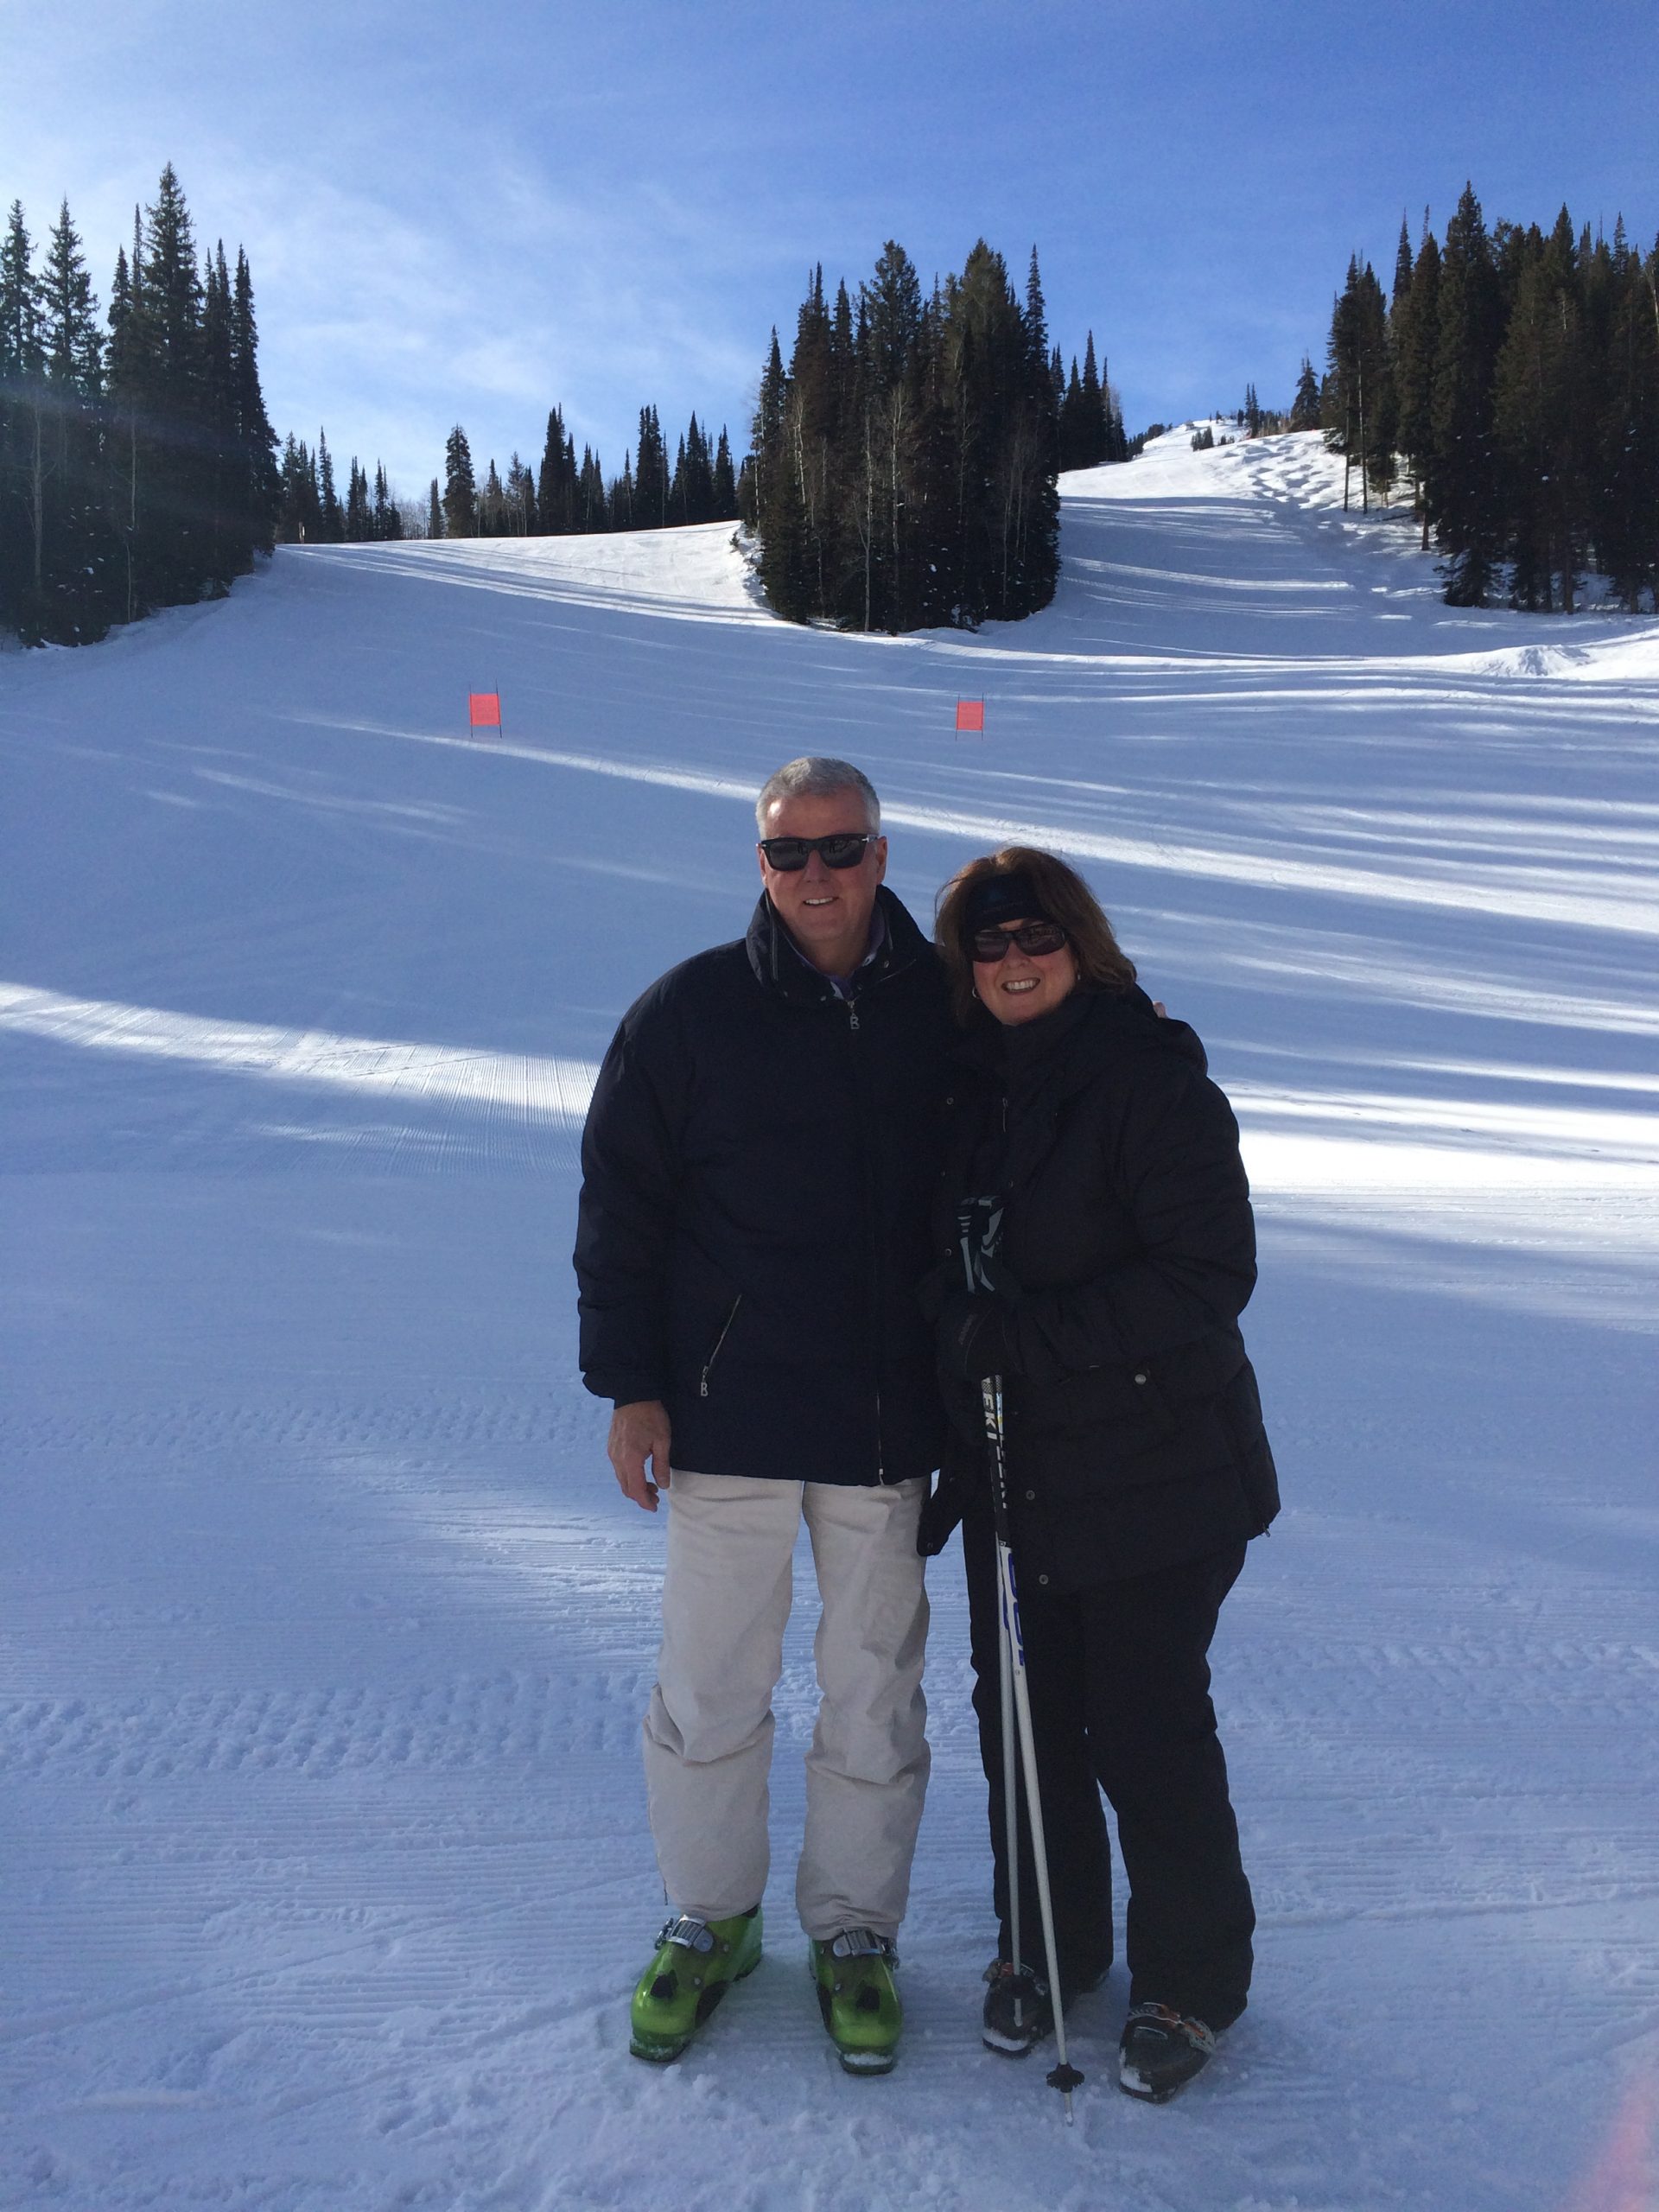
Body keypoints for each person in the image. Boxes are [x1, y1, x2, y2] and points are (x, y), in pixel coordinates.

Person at [574, 756, 952, 2075]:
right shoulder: (691, 1011)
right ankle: (710, 1918)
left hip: (883, 1417)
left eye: (840, 849)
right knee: (710, 1684)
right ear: (760, 864)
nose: (817, 876)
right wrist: (631, 1388)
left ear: (881, 855)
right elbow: (621, 1210)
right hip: (725, 1412)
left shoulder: (943, 1007)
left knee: (874, 1690)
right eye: (790, 853)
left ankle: (854, 1929)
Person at [918, 844, 1279, 2104]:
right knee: (1024, 1722)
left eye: (1039, 938)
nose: (1015, 961)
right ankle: (1048, 1945)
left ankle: (1191, 1979)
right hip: (1014, 1468)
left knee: (1144, 1725)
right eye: (990, 944)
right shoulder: (963, 1086)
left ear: (1082, 945)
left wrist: (1024, 1339)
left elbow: (1208, 1276)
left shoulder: (1149, 1080)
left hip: (1156, 1467)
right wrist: (949, 1324)